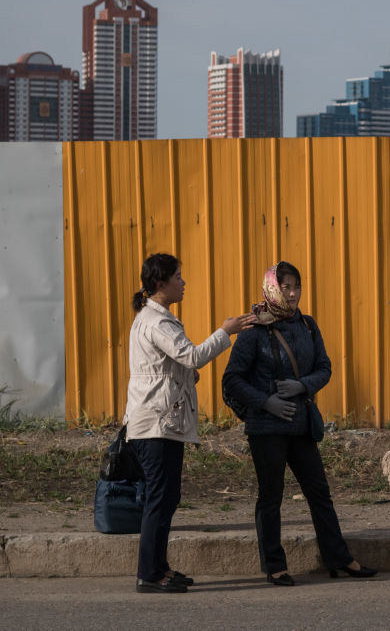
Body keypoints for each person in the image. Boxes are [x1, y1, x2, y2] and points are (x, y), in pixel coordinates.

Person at [222, 261, 377, 586]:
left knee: (319, 492)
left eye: (297, 286)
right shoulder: (253, 329)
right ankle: (275, 565)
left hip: (300, 424)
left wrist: (303, 385)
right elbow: (232, 379)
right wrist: (267, 401)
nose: (292, 293)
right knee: (271, 496)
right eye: (286, 286)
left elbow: (325, 366)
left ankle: (339, 558)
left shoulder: (306, 324)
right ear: (272, 288)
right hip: (266, 428)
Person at [125, 252, 255, 594]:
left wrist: (184, 376)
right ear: (159, 283)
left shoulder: (150, 319)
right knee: (160, 498)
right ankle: (149, 574)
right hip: (156, 424)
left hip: (157, 420)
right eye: (178, 277)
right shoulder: (158, 322)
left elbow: (165, 368)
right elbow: (193, 355)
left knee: (166, 497)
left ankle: (159, 568)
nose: (184, 283)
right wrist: (226, 332)